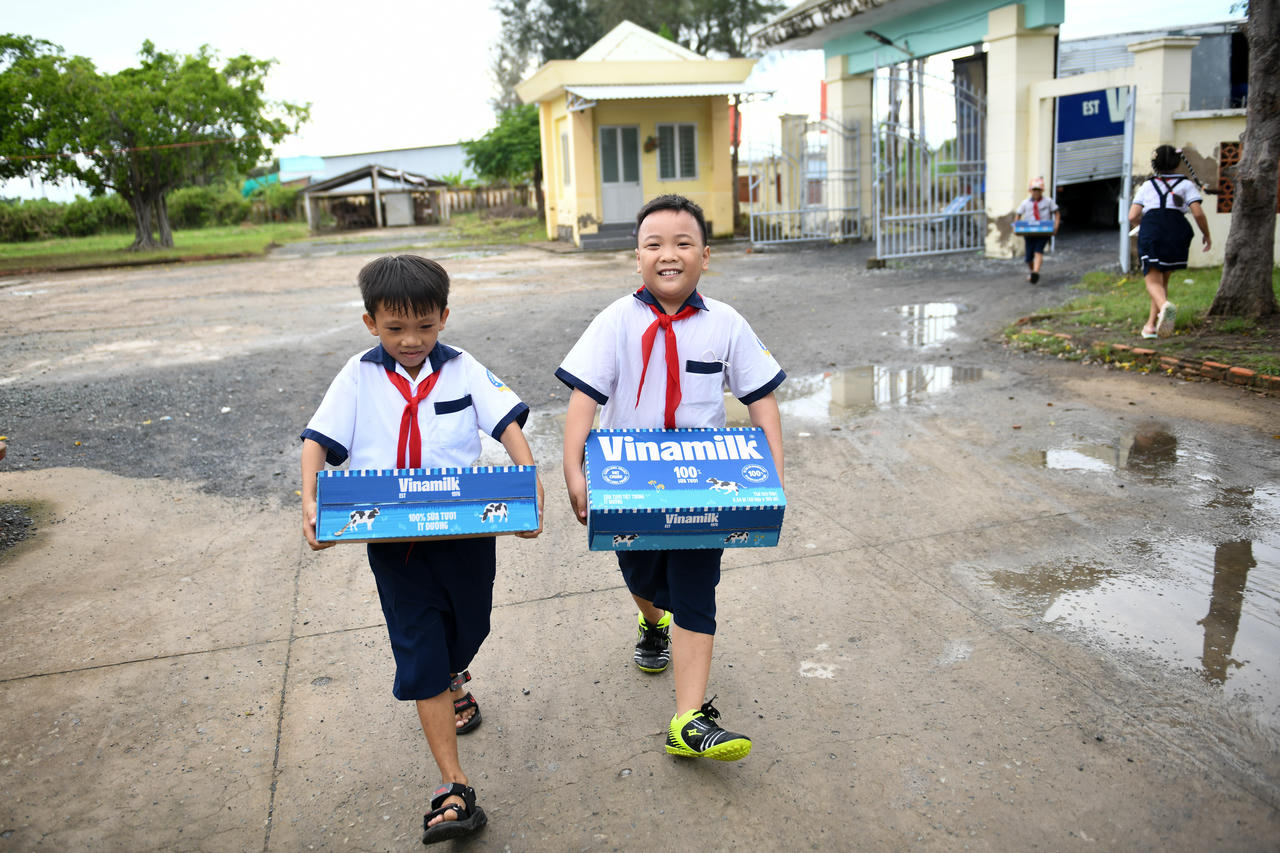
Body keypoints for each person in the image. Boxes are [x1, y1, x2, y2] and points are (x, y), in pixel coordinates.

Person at [300, 254, 543, 845]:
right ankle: (453, 785)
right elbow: (319, 437)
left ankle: (456, 672)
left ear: (444, 317)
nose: (411, 341)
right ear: (370, 323)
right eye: (395, 329)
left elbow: (506, 422)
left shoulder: (463, 369)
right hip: (393, 542)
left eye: (425, 327)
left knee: (469, 627)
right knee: (419, 652)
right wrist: (309, 499)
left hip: (464, 535)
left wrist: (526, 476)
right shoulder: (356, 376)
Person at [557, 194, 785, 762]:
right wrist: (573, 467)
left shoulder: (727, 323)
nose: (669, 254)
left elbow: (762, 400)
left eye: (683, 243)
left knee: (695, 591)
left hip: (707, 481)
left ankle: (688, 719)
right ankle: (650, 622)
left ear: (705, 255)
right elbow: (585, 397)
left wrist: (772, 476)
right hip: (628, 479)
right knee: (641, 574)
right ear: (636, 257)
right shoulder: (615, 320)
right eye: (654, 244)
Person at [1129, 145, 1212, 339]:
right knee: (1162, 278)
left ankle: (1165, 306)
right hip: (1178, 231)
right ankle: (1151, 326)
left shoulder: (1147, 186)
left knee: (1151, 279)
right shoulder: (1187, 185)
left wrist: (1146, 224)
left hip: (1153, 231)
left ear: (1154, 164)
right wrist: (1206, 235)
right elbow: (1198, 213)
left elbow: (1133, 215)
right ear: (1177, 163)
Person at [1015, 177, 1060, 284]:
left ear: (1042, 191)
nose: (1036, 192)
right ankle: (1033, 272)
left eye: (1038, 190)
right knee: (1029, 257)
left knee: (1038, 251)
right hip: (1029, 232)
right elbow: (1018, 215)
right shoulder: (1025, 203)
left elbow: (1057, 213)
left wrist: (1055, 227)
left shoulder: (1048, 201)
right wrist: (1016, 227)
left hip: (1043, 231)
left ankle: (1036, 271)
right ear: (1030, 191)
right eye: (1034, 190)